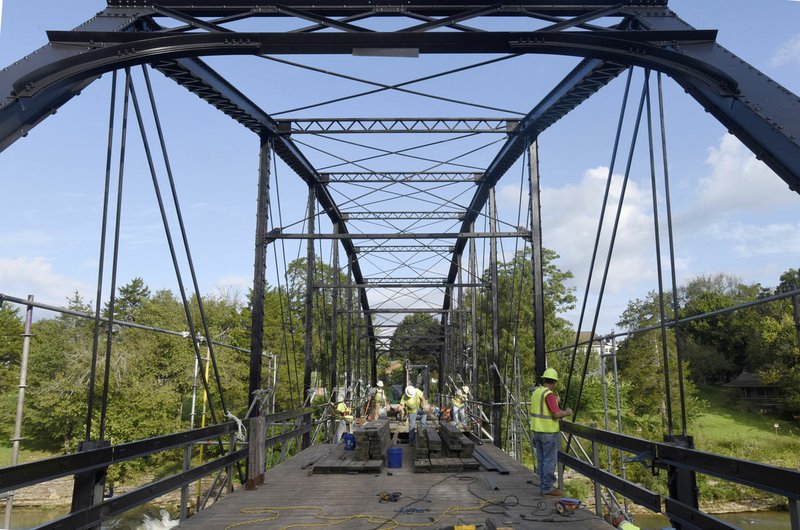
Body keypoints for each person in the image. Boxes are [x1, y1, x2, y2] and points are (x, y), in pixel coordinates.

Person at [529, 367, 572, 497]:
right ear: (554, 382)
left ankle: (544, 485)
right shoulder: (549, 394)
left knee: (542, 460)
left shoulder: (537, 392)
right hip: (548, 432)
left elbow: (544, 408)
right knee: (549, 460)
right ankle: (548, 488)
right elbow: (556, 414)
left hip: (537, 431)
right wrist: (567, 412)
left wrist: (555, 402)